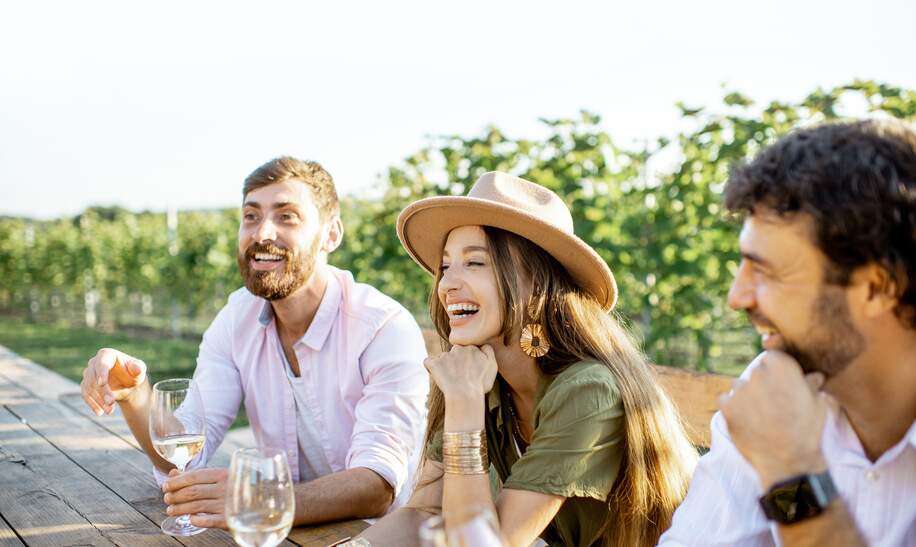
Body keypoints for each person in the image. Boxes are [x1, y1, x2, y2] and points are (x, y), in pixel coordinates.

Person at [80, 157, 429, 531]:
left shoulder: (383, 328)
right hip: (281, 534)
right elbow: (184, 457)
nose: (262, 233)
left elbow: (378, 486)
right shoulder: (236, 319)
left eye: (287, 216)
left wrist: (261, 496)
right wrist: (135, 395)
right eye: (251, 216)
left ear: (331, 234)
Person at [361, 172, 697, 547]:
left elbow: (486, 544)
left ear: (536, 282)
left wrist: (465, 404)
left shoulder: (588, 390)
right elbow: (424, 512)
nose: (446, 284)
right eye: (445, 266)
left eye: (474, 263)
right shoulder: (482, 379)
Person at [658, 120, 916, 546]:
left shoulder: (779, 432)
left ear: (876, 288)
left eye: (766, 271)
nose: (737, 297)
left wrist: (791, 473)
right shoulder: (772, 390)